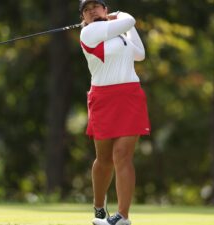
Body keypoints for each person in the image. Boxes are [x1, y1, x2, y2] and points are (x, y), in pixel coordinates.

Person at [79, 0, 151, 225]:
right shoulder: (90, 32)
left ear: (105, 10)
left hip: (130, 95)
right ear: (84, 18)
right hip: (103, 98)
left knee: (123, 156)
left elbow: (139, 54)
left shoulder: (118, 33)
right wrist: (121, 16)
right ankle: (99, 207)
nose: (92, 11)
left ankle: (123, 217)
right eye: (86, 9)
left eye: (96, 6)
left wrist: (124, 24)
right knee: (104, 159)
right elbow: (129, 19)